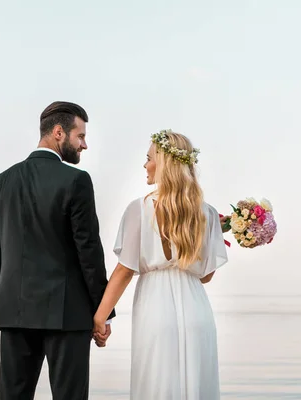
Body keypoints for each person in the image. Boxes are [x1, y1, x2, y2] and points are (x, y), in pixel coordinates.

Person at [0, 101, 114, 400]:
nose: (84, 145)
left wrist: (5, 304)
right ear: (59, 132)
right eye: (80, 136)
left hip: (14, 313)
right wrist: (102, 312)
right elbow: (89, 251)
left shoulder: (0, 183)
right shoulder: (76, 180)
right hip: (68, 314)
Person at [92, 129, 229, 399]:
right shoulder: (207, 213)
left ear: (164, 163)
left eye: (149, 158)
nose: (145, 164)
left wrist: (100, 316)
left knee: (157, 385)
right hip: (197, 309)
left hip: (155, 307)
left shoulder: (140, 208)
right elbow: (205, 277)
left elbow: (124, 270)